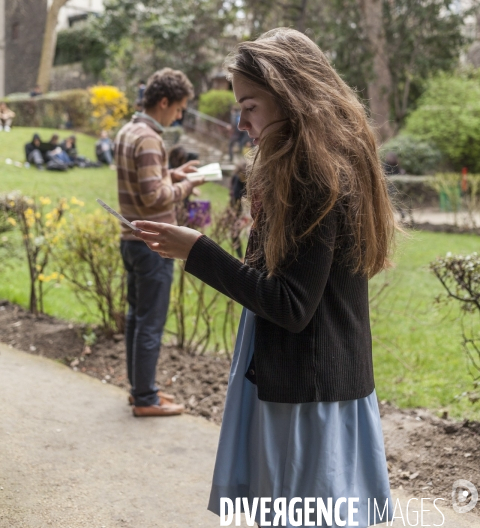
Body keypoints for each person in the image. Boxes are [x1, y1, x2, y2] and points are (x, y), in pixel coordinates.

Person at [132, 29, 397, 527]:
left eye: (249, 106)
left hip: (307, 394)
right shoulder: (313, 162)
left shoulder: (312, 174)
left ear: (289, 95)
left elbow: (291, 305)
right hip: (316, 382)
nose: (240, 121)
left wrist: (198, 250)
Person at [115, 68, 205, 418]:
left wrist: (173, 174)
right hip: (154, 244)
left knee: (136, 318)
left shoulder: (128, 131)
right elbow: (155, 198)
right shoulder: (151, 138)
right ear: (164, 102)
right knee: (150, 322)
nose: (179, 115)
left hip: (131, 240)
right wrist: (187, 186)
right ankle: (146, 400)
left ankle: (139, 390)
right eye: (179, 108)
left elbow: (143, 181)